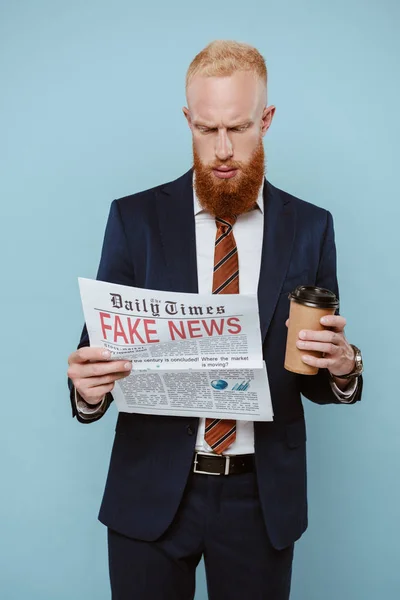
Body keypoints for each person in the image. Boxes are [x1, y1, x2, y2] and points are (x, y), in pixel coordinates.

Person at [67, 40, 363, 600]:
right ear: (188, 121)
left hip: (259, 500)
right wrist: (86, 392)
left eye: (239, 127)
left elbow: (317, 376)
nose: (223, 150)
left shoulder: (310, 228)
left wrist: (344, 368)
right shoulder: (134, 220)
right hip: (150, 494)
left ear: (266, 120)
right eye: (206, 130)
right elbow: (96, 357)